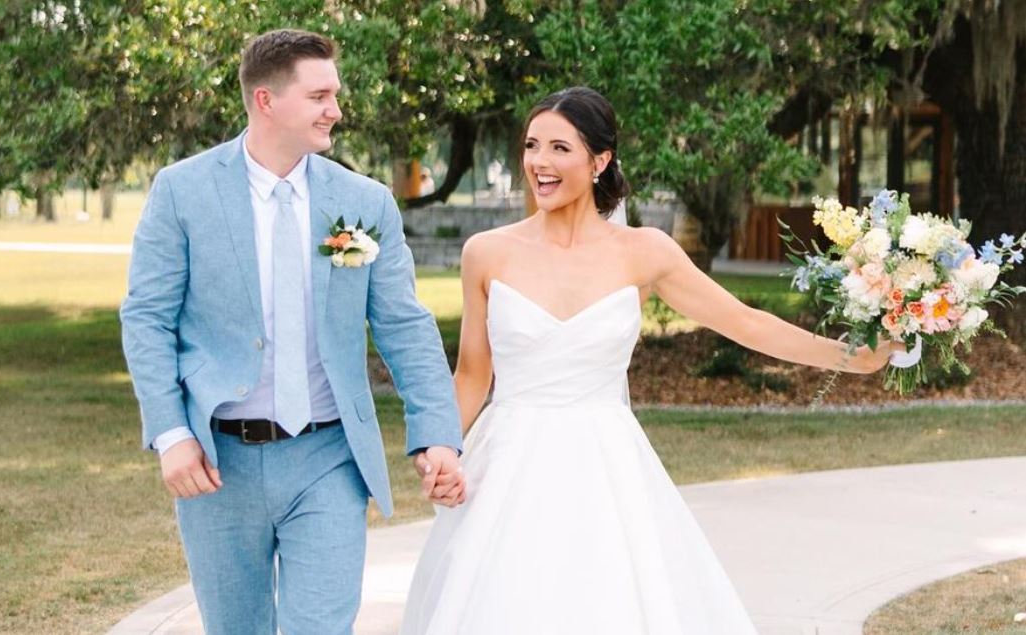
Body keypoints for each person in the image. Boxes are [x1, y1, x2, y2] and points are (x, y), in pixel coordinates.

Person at [399, 86, 899, 634]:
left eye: (560, 149)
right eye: (531, 145)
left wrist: (853, 358)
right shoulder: (486, 252)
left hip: (606, 465)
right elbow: (472, 375)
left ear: (600, 160)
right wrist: (438, 448)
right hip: (508, 463)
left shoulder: (646, 252)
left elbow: (747, 323)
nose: (540, 162)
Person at [120, 28, 465, 635]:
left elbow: (404, 325)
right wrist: (172, 434)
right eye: (320, 95)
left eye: (335, 94)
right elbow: (147, 317)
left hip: (328, 457)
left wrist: (436, 433)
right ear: (266, 101)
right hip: (216, 461)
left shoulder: (364, 202)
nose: (335, 109)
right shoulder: (181, 191)